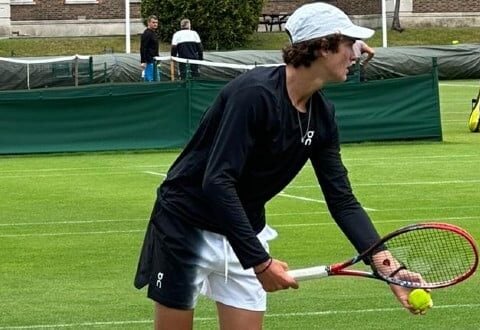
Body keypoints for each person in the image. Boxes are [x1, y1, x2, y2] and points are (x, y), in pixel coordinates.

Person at [134, 2, 424, 329]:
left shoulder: (323, 115)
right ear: (323, 46)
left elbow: (342, 200)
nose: (357, 53)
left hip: (244, 230)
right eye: (349, 44)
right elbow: (217, 181)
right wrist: (259, 262)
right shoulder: (253, 94)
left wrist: (388, 267)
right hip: (185, 226)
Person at [140, 15, 160, 82]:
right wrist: (143, 61)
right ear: (148, 23)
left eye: (156, 22)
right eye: (153, 22)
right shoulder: (147, 33)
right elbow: (143, 47)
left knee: (155, 79)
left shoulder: (154, 33)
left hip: (154, 60)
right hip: (149, 61)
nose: (155, 24)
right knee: (150, 80)